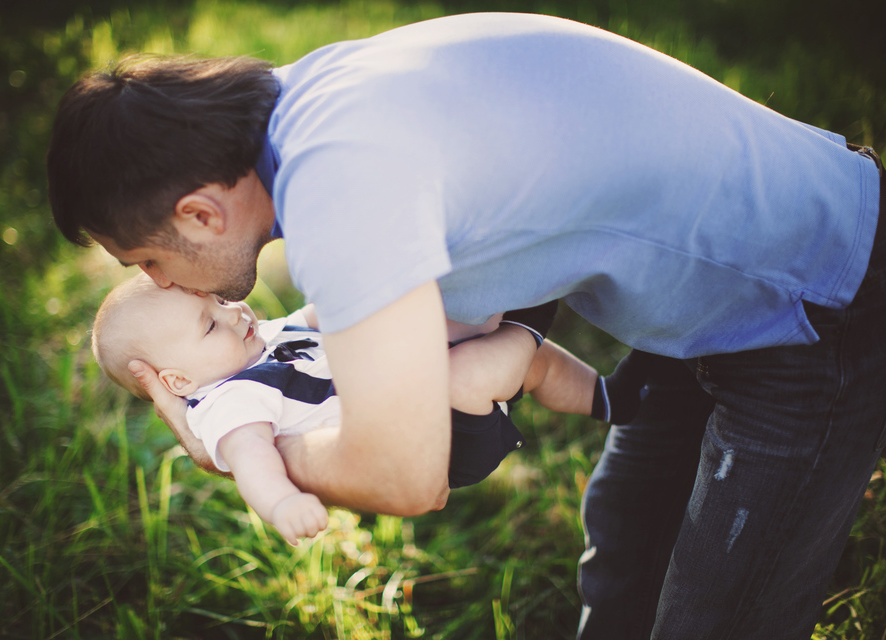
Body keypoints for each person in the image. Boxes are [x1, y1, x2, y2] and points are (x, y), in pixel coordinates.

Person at [46, 12, 884, 640]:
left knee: (716, 620)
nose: (156, 283)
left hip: (814, 306)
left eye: (145, 263)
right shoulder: (311, 98)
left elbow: (409, 478)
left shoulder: (339, 188)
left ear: (197, 214)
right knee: (626, 553)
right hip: (706, 312)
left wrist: (236, 448)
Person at [90, 272, 644, 543]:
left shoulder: (264, 337)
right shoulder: (227, 403)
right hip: (434, 443)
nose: (234, 312)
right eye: (210, 322)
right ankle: (528, 311)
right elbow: (252, 458)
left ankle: (609, 398)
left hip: (413, 393)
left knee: (528, 364)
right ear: (177, 379)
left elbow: (326, 315)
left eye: (220, 299)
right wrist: (282, 505)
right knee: (472, 372)